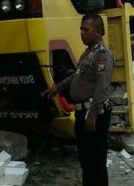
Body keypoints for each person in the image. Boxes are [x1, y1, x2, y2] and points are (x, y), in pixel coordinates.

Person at [43, 13, 114, 186]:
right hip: (83, 111)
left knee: (95, 160)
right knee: (85, 158)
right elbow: (76, 76)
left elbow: (102, 87)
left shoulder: (102, 55)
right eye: (81, 29)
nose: (81, 33)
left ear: (98, 32)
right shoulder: (88, 53)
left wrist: (93, 115)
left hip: (93, 113)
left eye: (86, 29)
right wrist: (58, 87)